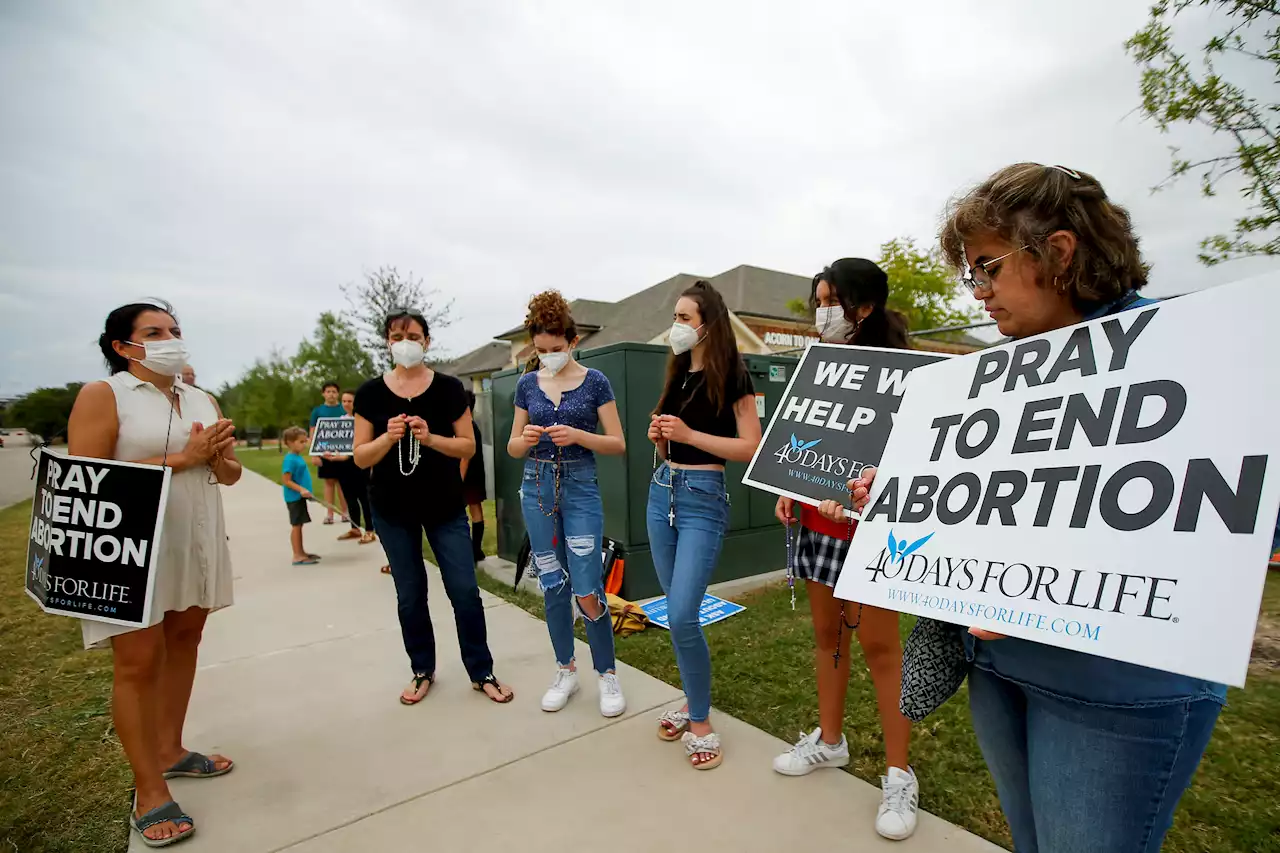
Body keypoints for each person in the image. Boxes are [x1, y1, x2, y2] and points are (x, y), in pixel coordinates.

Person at [848, 163, 1226, 853]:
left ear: (1058, 250)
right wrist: (903, 492)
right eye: (971, 274)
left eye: (987, 267)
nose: (980, 291)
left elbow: (1201, 522)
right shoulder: (997, 376)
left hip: (1115, 692)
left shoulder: (1196, 355)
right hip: (998, 671)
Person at [67, 300, 240, 847]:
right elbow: (86, 479)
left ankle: (171, 749)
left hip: (194, 541)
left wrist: (215, 458)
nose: (170, 338)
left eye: (175, 330)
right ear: (122, 346)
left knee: (185, 641)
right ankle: (149, 789)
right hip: (130, 549)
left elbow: (232, 475)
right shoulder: (105, 395)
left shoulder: (199, 397)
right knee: (138, 661)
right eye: (154, 332)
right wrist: (181, 460)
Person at [770, 259, 920, 840]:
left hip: (874, 531)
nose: (821, 312)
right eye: (817, 301)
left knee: (883, 649)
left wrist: (866, 491)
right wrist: (790, 487)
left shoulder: (909, 375)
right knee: (827, 638)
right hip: (817, 525)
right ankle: (830, 740)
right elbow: (803, 442)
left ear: (864, 306)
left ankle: (899, 773)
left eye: (830, 300)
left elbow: (913, 458)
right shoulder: (819, 368)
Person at [352, 309, 514, 705]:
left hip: (444, 506)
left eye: (412, 334)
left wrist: (431, 439)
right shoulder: (371, 393)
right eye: (396, 335)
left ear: (426, 341)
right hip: (392, 510)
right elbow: (360, 457)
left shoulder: (447, 389)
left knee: (464, 590)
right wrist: (388, 439)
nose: (404, 341)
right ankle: (422, 669)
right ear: (387, 342)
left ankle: (481, 670)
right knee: (410, 594)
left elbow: (468, 446)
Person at [647, 280, 762, 770]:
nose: (677, 326)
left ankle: (700, 721)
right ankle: (693, 700)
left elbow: (751, 446)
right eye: (675, 317)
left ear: (709, 325)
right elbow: (671, 446)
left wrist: (690, 433)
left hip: (702, 500)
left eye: (685, 318)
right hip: (661, 494)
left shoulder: (735, 376)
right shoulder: (676, 375)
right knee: (676, 614)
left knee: (683, 611)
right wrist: (660, 439)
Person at [507, 290, 628, 717]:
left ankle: (607, 674)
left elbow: (617, 442)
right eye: (540, 351)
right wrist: (523, 439)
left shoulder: (596, 382)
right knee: (552, 584)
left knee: (587, 586)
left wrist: (578, 435)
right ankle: (565, 669)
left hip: (579, 485)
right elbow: (512, 447)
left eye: (555, 350)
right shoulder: (526, 384)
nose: (547, 357)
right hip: (536, 483)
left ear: (572, 341)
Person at [331, 390, 377, 546]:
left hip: (359, 463)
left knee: (364, 498)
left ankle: (370, 530)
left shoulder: (364, 420)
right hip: (343, 465)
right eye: (343, 401)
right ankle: (355, 527)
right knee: (349, 497)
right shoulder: (341, 421)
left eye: (349, 401)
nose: (346, 404)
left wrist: (349, 456)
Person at [281, 426, 321, 566]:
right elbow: (286, 480)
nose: (304, 444)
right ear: (290, 443)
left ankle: (302, 552)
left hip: (300, 497)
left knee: (300, 524)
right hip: (294, 498)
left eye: (305, 441)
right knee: (296, 525)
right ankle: (297, 555)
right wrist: (301, 490)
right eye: (301, 442)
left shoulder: (296, 457)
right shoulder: (290, 460)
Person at [310, 382, 347, 526]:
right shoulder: (318, 411)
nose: (331, 394)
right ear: (323, 393)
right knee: (329, 482)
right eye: (328, 391)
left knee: (342, 484)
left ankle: (345, 512)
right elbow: (313, 432)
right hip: (324, 452)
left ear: (338, 393)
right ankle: (330, 514)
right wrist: (314, 454)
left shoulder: (343, 409)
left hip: (342, 452)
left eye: (334, 391)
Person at [462, 390, 487, 563]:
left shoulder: (467, 427)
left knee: (465, 510)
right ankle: (476, 549)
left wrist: (458, 477)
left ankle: (473, 550)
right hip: (476, 473)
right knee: (475, 508)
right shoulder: (473, 425)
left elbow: (465, 456)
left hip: (468, 475)